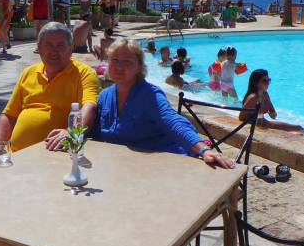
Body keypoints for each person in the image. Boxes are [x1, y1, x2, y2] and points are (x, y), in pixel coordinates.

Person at [0, 22, 100, 246]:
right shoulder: (29, 73)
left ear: (71, 48)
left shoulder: (83, 74)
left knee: (20, 202)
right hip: (13, 155)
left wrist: (72, 131)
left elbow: (89, 107)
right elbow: (8, 115)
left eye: (60, 45)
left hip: (50, 161)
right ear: (38, 48)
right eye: (48, 45)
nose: (54, 51)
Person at [91, 38, 235, 169]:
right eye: (114, 60)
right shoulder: (104, 97)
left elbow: (172, 120)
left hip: (163, 168)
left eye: (127, 62)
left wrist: (203, 149)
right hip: (125, 169)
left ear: (138, 68)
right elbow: (93, 134)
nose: (119, 66)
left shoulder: (149, 95)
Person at [239, 69, 304, 133]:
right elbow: (241, 117)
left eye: (268, 80)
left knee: (298, 128)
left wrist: (272, 114)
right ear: (256, 83)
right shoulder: (253, 97)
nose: (268, 84)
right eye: (265, 81)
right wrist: (257, 121)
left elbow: (272, 113)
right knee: (298, 132)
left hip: (266, 124)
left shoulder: (264, 94)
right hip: (258, 127)